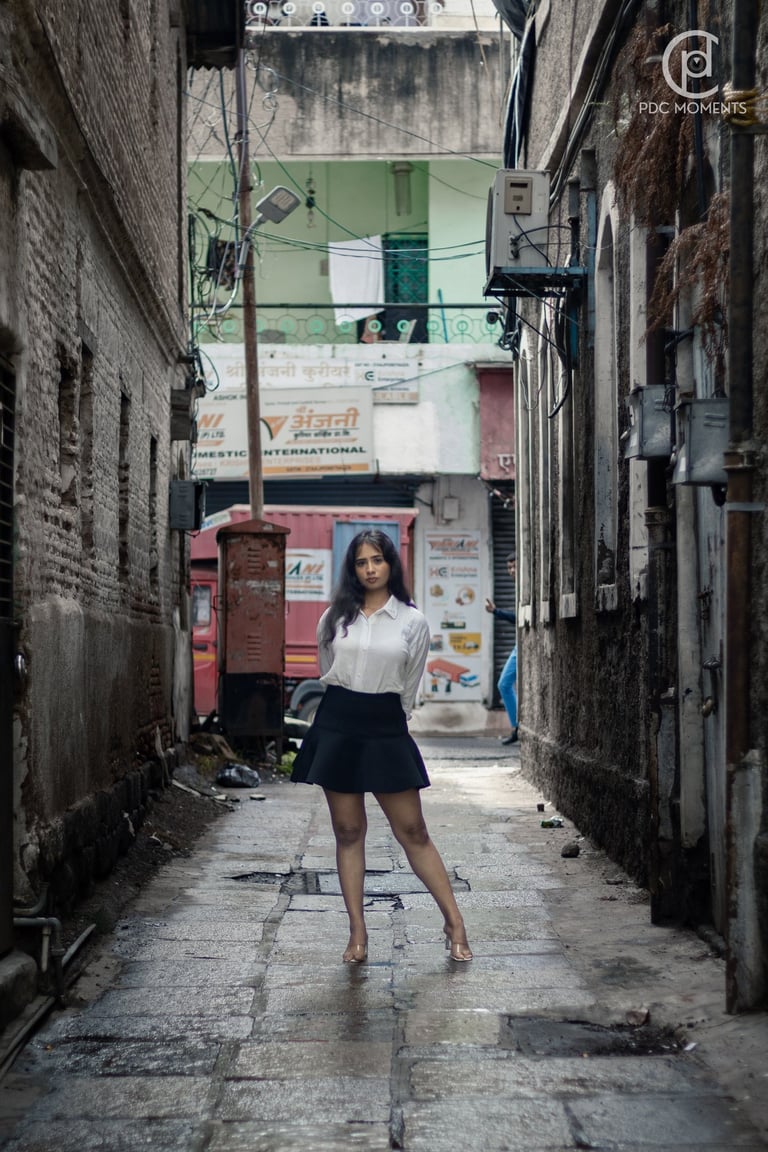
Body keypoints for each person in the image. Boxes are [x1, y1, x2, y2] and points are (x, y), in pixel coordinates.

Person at [290, 529, 472, 965]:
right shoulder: (334, 617)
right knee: (349, 832)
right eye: (361, 562)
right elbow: (326, 670)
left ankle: (455, 923)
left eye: (377, 560)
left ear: (391, 564)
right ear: (352, 569)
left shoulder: (412, 621)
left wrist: (389, 720)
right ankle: (358, 933)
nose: (370, 569)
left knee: (414, 831)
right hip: (338, 724)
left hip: (386, 726)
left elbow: (409, 687)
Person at [485, 552, 518, 745]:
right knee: (504, 684)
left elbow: (517, 618)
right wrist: (495, 611)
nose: (512, 571)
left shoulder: (525, 585)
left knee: (505, 684)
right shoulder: (519, 587)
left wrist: (496, 612)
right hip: (519, 643)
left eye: (515, 566)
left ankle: (518, 727)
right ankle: (517, 727)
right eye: (509, 568)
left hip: (521, 644)